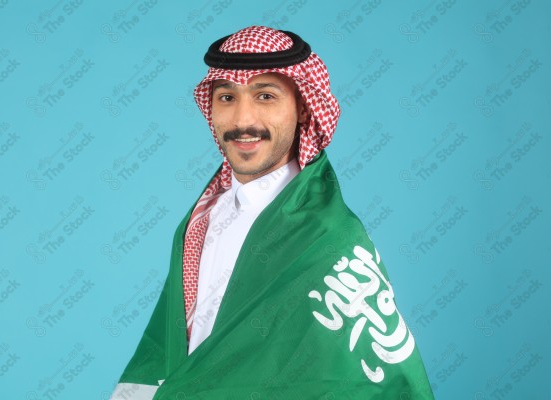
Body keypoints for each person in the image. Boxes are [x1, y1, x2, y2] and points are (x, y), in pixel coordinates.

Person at [110, 26, 434, 399]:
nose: (242, 119)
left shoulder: (329, 237)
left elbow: (367, 381)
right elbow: (173, 353)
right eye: (227, 97)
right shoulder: (202, 220)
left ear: (302, 107)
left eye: (265, 96)